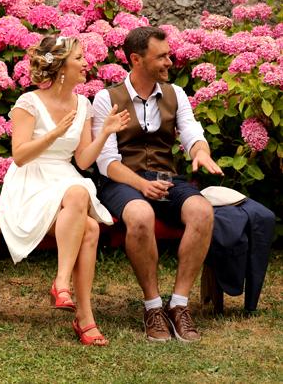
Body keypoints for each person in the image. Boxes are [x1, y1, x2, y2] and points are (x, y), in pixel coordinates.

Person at [92, 26, 223, 343]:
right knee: (140, 216)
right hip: (121, 179)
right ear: (136, 59)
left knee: (202, 212)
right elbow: (106, 162)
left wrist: (200, 153)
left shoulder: (176, 94)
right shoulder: (106, 98)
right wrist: (141, 185)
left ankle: (179, 305)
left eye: (168, 54)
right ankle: (152, 307)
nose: (169, 61)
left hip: (165, 177)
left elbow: (192, 134)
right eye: (161, 56)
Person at [0, 35, 130, 346]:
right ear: (60, 67)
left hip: (65, 179)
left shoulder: (83, 105)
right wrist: (56, 132)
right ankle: (75, 305)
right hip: (30, 181)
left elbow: (83, 160)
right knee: (85, 214)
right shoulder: (28, 103)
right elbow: (20, 156)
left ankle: (68, 294)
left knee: (83, 211)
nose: (87, 64)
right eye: (79, 58)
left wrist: (105, 133)